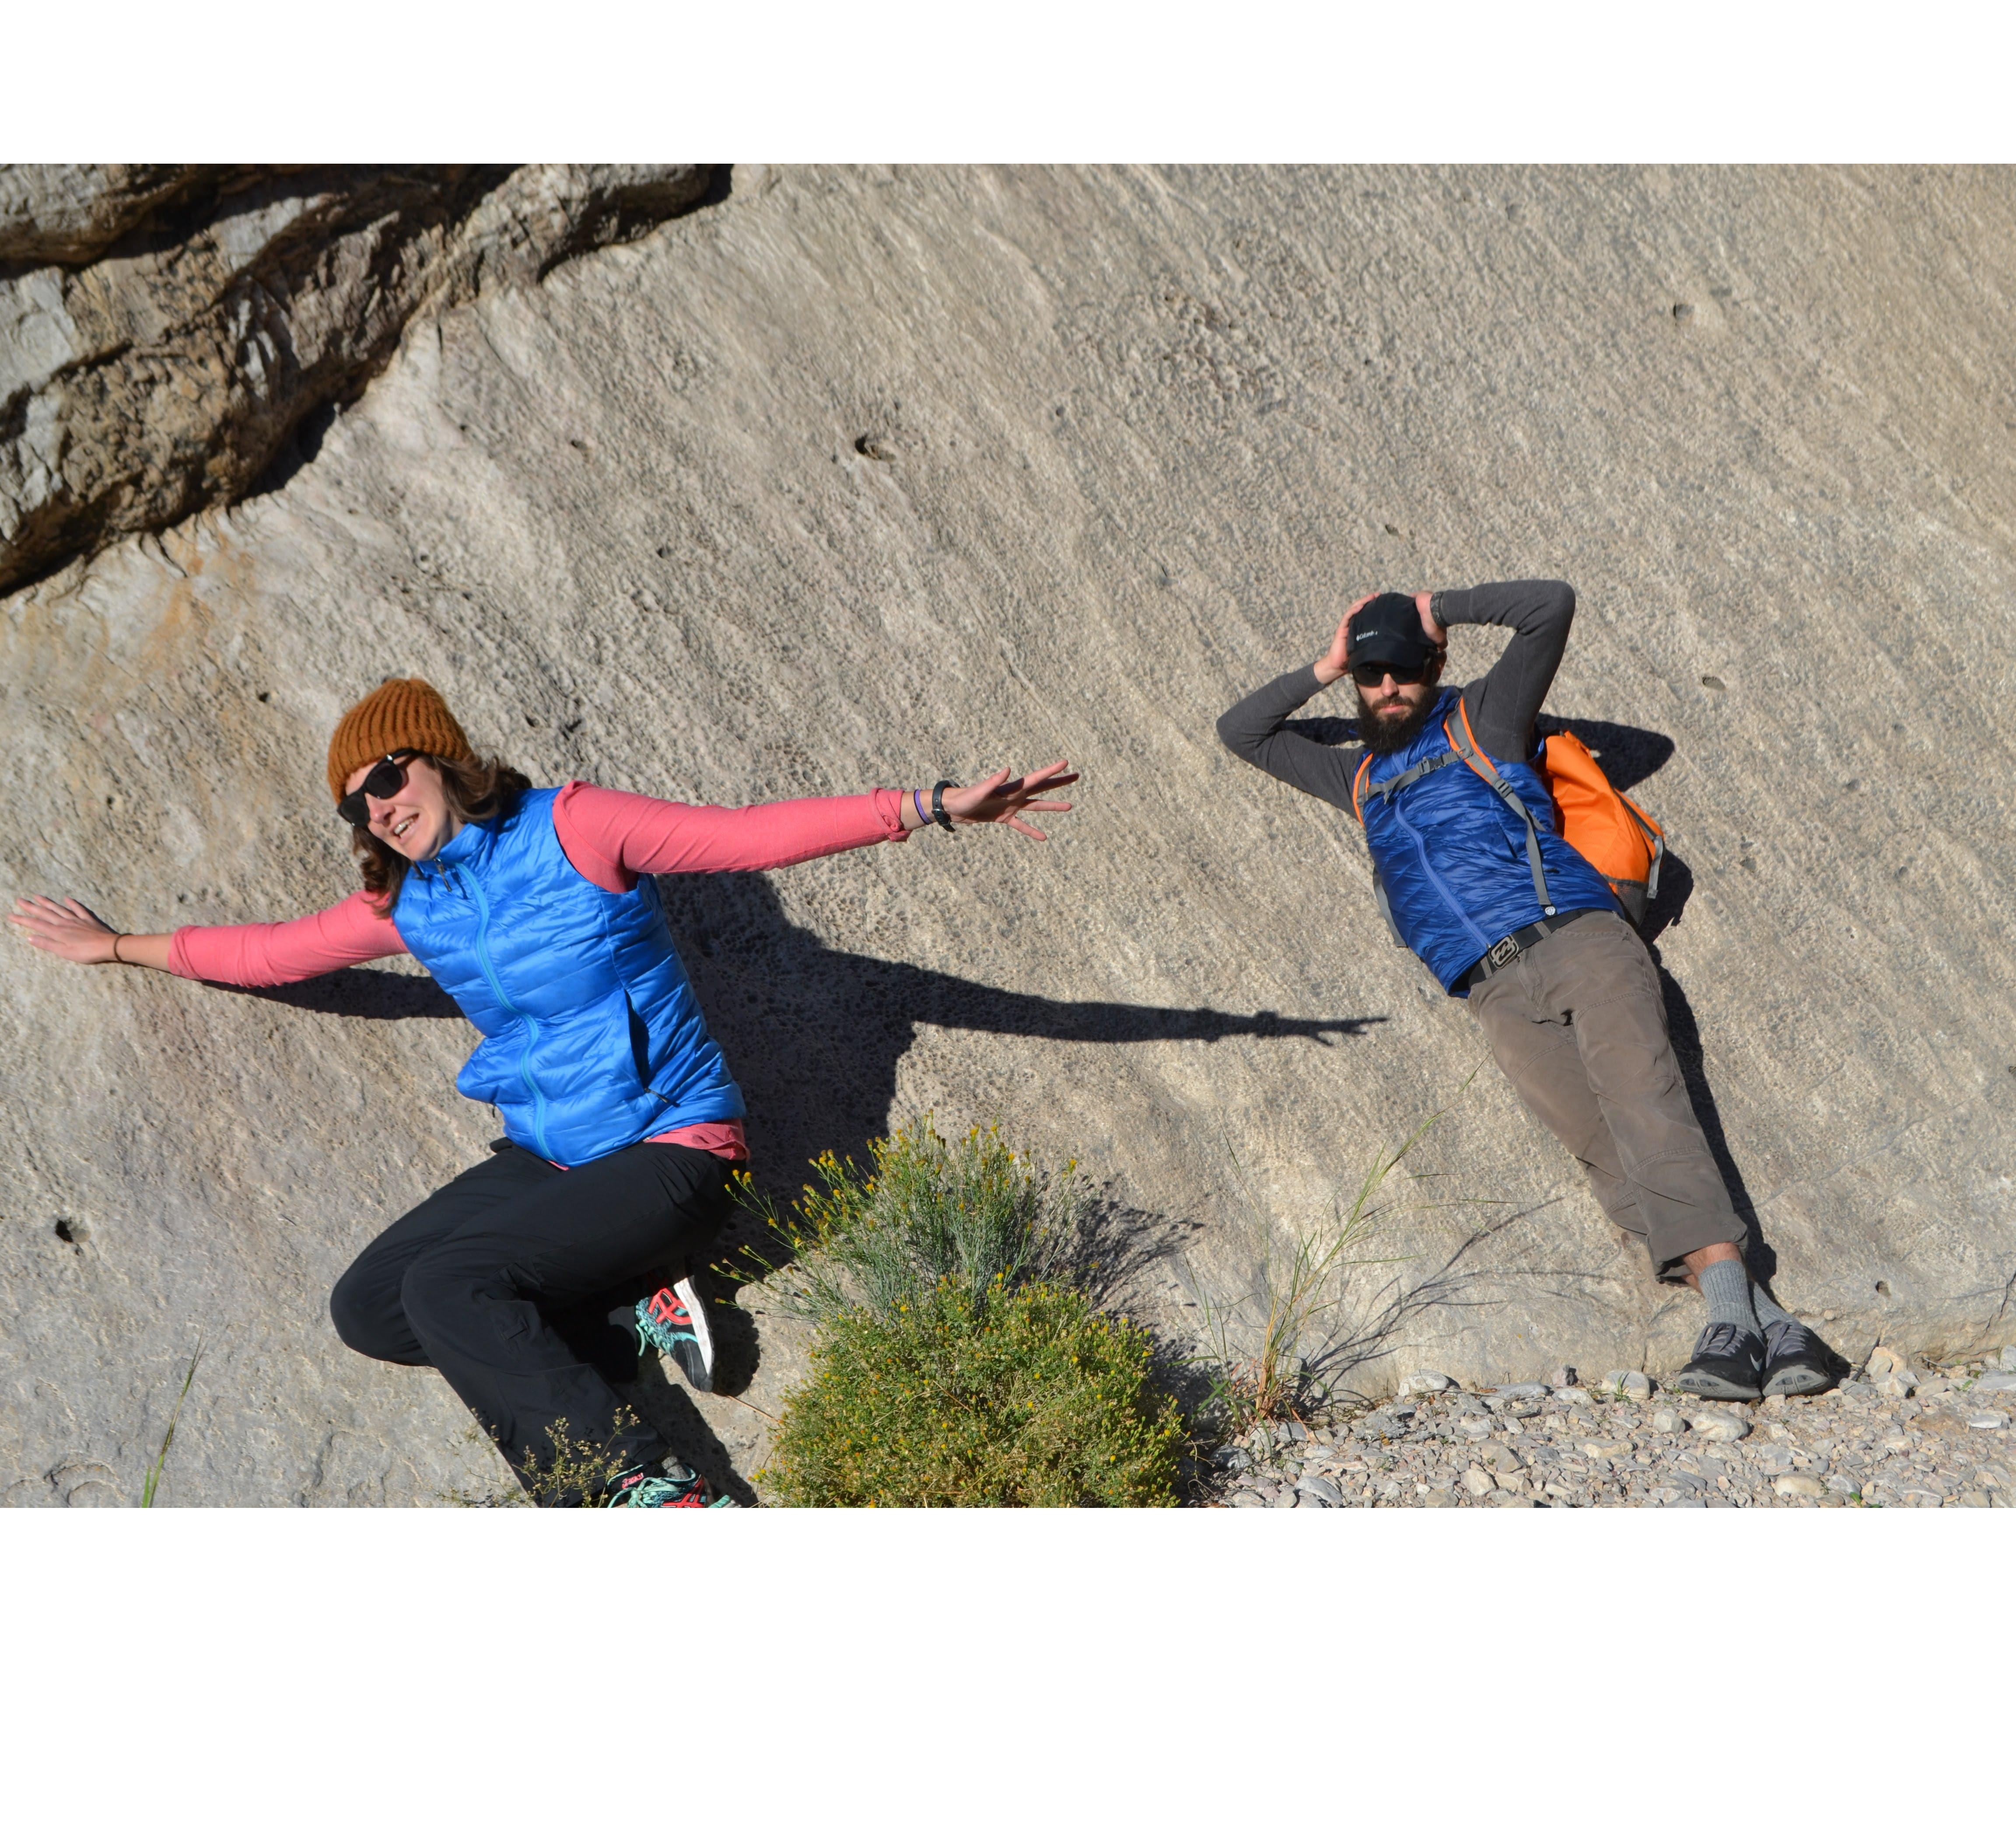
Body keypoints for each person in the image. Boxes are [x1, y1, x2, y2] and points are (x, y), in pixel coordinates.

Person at [11, 678, 1076, 1504]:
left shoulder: (574, 825)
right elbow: (276, 952)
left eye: (388, 778)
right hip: (554, 1162)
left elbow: (750, 834)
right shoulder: (411, 902)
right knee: (374, 1309)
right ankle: (630, 1299)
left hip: (673, 1148)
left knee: (452, 1291)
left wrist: (931, 806)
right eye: (356, 802)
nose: (377, 808)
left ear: (438, 757)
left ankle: (637, 1487)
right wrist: (117, 948)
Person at [1216, 581, 1834, 1404]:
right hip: (1493, 989)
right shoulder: (1354, 777)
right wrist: (1325, 666)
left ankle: (1725, 1328)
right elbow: (1242, 732)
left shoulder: (1486, 718)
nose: (1388, 688)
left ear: (1434, 665)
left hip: (1579, 941)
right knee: (1606, 1152)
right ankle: (1777, 1328)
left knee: (1646, 1107)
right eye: (1372, 676)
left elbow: (1551, 606)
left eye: (1402, 669)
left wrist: (1441, 606)